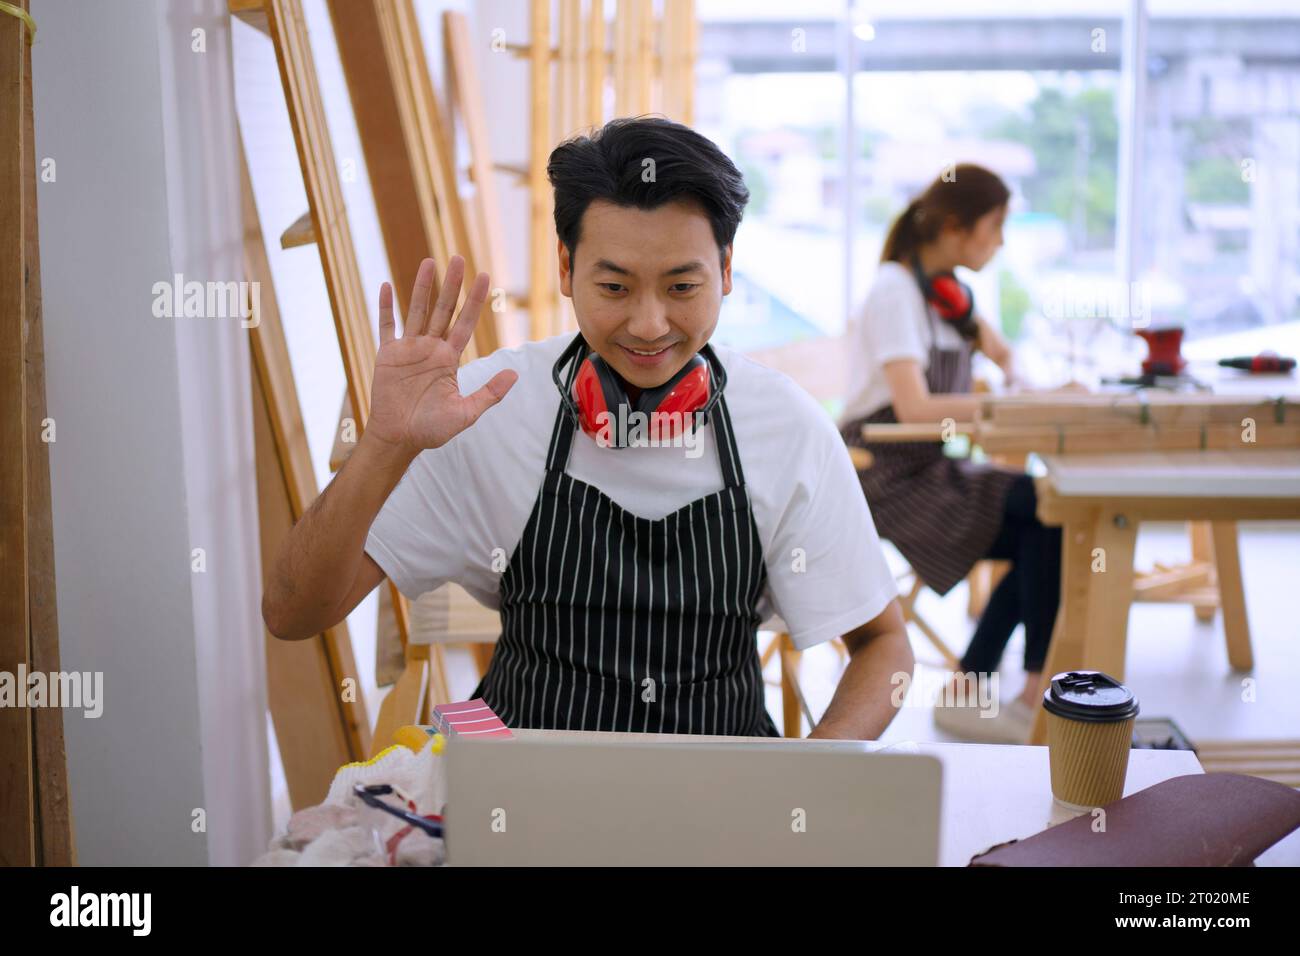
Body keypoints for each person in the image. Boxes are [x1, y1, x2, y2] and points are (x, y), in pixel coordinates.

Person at [263, 117, 912, 740]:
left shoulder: (786, 427)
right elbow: (293, 615)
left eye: (683, 287)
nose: (651, 324)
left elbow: (884, 647)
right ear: (567, 269)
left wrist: (811, 777)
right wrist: (384, 447)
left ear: (728, 271)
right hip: (520, 801)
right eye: (615, 287)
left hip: (722, 802)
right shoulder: (484, 408)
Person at [838, 164, 1062, 744]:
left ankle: (982, 687)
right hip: (884, 475)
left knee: (1052, 519)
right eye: (996, 225)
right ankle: (1019, 692)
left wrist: (1030, 386)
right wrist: (1011, 409)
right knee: (1044, 512)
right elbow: (914, 409)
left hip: (928, 466)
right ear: (959, 227)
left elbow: (1007, 358)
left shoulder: (946, 294)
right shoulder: (895, 291)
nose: (1002, 240)